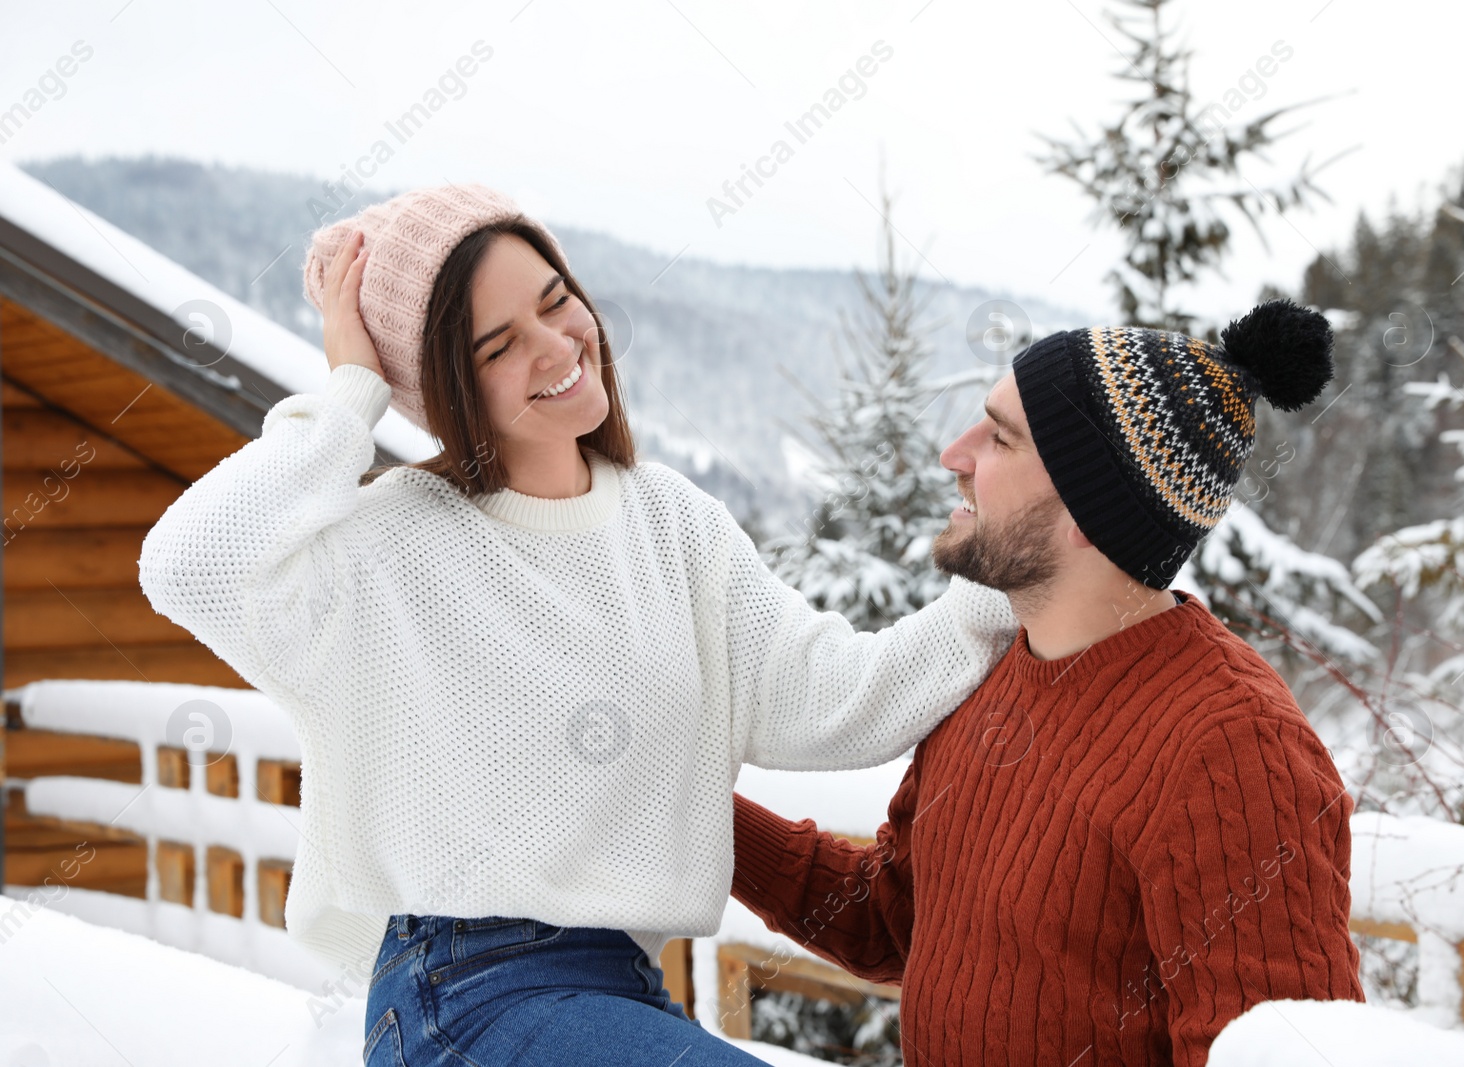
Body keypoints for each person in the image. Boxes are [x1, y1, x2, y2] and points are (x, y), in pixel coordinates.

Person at [136, 183, 1018, 1066]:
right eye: (500, 344)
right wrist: (352, 391)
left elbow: (832, 698)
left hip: (622, 985)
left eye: (557, 301)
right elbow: (191, 564)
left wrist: (1014, 574)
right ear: (446, 384)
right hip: (464, 993)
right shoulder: (393, 542)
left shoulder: (671, 524)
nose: (559, 344)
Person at [728, 303, 1367, 1066]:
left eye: (998, 438)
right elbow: (891, 917)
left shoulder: (1232, 750)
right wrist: (696, 807)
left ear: (1090, 512)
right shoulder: (992, 667)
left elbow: (1281, 1052)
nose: (953, 455)